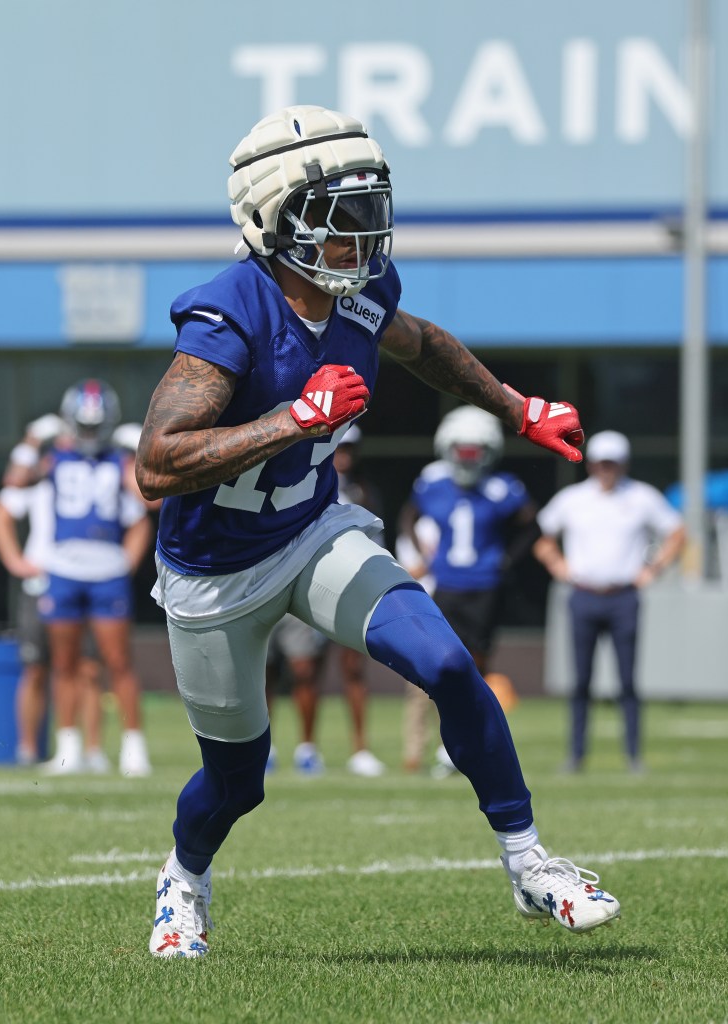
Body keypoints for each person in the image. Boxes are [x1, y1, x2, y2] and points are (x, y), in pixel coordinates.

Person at [137, 105, 621, 958]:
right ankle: (183, 880)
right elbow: (157, 464)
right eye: (339, 213)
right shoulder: (227, 314)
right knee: (237, 779)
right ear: (272, 220)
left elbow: (422, 343)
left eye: (368, 207)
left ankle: (529, 862)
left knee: (445, 664)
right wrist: (292, 418)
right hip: (212, 573)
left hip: (313, 530)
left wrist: (516, 407)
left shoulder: (359, 298)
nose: (362, 231)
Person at [5, 382, 154, 777]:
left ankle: (133, 748)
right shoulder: (53, 456)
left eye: (95, 426)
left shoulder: (118, 459)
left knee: (118, 662)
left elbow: (150, 500)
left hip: (107, 570)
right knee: (65, 664)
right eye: (84, 426)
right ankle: (68, 748)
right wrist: (31, 439)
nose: (89, 434)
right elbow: (14, 483)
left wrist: (142, 452)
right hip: (64, 569)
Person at [533, 429, 686, 774]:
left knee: (628, 681)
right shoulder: (573, 499)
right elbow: (542, 538)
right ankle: (576, 755)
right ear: (591, 465)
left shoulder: (641, 497)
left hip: (623, 597)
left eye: (613, 464)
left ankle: (633, 755)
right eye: (602, 463)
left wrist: (654, 568)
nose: (607, 470)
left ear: (623, 464)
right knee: (580, 682)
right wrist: (559, 566)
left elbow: (677, 532)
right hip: (584, 595)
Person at [399, 406, 535, 775]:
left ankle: (462, 745)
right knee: (439, 661)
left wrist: (506, 560)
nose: (468, 458)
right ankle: (439, 744)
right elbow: (408, 514)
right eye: (463, 450)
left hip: (485, 588)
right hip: (446, 586)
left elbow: (529, 524)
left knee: (476, 665)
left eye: (475, 451)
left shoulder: (501, 487)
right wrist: (424, 554)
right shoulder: (434, 483)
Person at [0, 413, 114, 769]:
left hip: (81, 578)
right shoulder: (41, 476)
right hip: (42, 582)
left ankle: (91, 751)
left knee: (87, 667)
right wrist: (15, 561)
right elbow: (0, 510)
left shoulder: (93, 471)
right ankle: (28, 749)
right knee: (37, 668)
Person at [265, 424, 386, 778]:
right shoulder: (300, 482)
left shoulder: (364, 491)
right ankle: (269, 747)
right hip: (296, 580)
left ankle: (349, 748)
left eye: (349, 450)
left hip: (350, 586)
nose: (344, 456)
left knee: (344, 668)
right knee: (278, 668)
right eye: (339, 449)